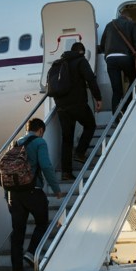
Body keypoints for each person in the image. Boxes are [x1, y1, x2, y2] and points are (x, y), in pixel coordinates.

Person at [6, 119, 64, 271]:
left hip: (14, 195)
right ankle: (31, 252)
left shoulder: (15, 144)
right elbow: (46, 166)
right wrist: (56, 189)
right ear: (40, 130)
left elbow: (7, 171)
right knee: (42, 222)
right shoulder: (39, 142)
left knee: (17, 235)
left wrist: (7, 197)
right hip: (33, 191)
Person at [54, 42, 103, 181]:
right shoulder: (81, 61)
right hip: (77, 104)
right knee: (90, 125)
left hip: (61, 107)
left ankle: (66, 173)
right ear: (81, 51)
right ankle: (80, 152)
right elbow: (90, 79)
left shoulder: (60, 62)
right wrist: (98, 98)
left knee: (67, 139)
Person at [99, 9, 136, 111]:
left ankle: (116, 116)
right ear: (129, 17)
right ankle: (125, 106)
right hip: (125, 57)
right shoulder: (132, 24)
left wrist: (107, 54)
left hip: (110, 59)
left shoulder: (109, 25)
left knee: (116, 90)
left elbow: (102, 44)